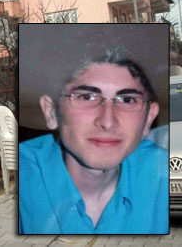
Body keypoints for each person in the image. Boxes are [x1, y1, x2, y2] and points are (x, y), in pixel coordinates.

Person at [18, 51, 168, 234]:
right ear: (51, 112)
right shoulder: (22, 176)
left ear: (148, 118)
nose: (107, 121)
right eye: (86, 97)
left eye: (127, 100)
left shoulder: (165, 173)